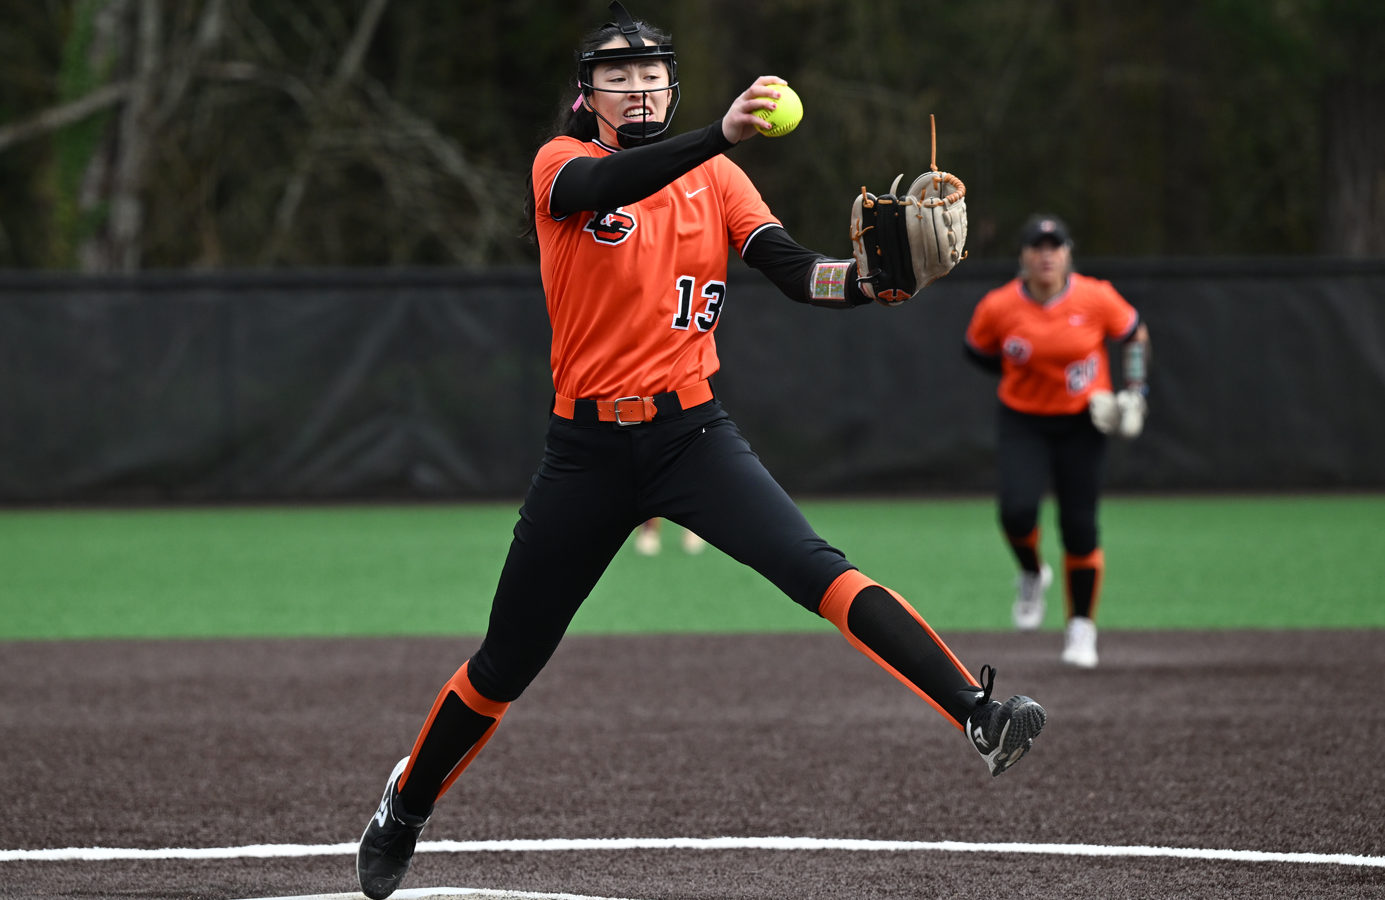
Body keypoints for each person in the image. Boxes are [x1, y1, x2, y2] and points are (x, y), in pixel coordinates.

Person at [355, 6, 1046, 898]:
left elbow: (795, 270)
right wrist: (718, 132)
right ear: (587, 93)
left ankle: (978, 713)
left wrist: (868, 281)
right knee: (505, 664)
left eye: (651, 73)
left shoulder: (717, 177)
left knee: (819, 571)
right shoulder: (560, 164)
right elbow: (612, 183)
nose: (637, 86)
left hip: (692, 435)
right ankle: (406, 805)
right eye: (617, 74)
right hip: (587, 452)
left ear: (671, 85)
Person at [963, 214, 1151, 669]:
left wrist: (1136, 389)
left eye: (1055, 246)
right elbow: (976, 349)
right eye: (1037, 246)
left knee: (1079, 526)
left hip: (1083, 421)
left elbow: (1135, 334)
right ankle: (1032, 572)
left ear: (1068, 254)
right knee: (1016, 512)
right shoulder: (999, 306)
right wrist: (1017, 374)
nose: (1046, 255)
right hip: (1023, 419)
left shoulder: (1095, 296)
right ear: (1023, 256)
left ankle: (1081, 627)